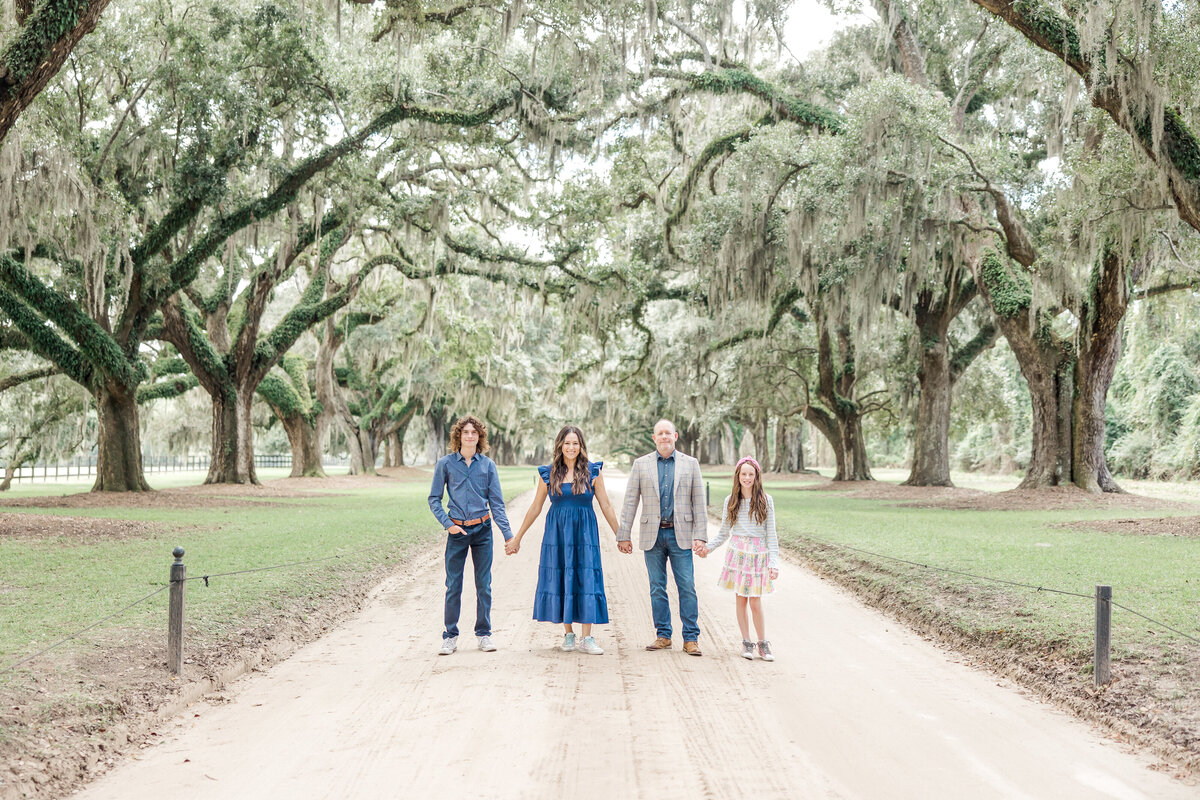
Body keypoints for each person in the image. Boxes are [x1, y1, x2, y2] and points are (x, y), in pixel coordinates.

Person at [506, 426, 621, 655]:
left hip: (585, 531)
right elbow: (535, 507)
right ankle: (568, 634)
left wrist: (621, 535)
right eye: (567, 443)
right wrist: (517, 538)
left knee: (585, 575)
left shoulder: (593, 471)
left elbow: (606, 505)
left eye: (575, 443)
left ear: (581, 446)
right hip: (557, 532)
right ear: (560, 445)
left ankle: (587, 637)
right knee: (563, 574)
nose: (571, 447)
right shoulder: (548, 473)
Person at [616, 419, 707, 656]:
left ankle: (691, 638)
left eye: (668, 433)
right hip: (652, 535)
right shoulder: (641, 465)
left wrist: (701, 536)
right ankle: (663, 635)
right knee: (657, 587)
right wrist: (623, 534)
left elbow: (699, 502)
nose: (664, 437)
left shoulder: (690, 464)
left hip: (681, 535)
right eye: (660, 433)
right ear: (654, 438)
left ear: (675, 436)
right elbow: (630, 501)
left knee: (686, 586)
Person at [428, 414, 513, 655]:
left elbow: (497, 503)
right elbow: (434, 499)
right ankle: (450, 636)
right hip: (457, 531)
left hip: (482, 530)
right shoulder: (445, 464)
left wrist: (508, 535)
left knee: (483, 585)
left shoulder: (488, 465)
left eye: (474, 433)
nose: (469, 436)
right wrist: (448, 524)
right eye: (465, 432)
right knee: (453, 585)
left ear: (479, 437)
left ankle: (484, 634)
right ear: (459, 436)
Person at [699, 456, 779, 661]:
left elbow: (772, 535)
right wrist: (708, 548)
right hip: (738, 553)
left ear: (756, 477)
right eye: (743, 474)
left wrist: (773, 563)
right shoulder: (731, 501)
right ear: (738, 476)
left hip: (758, 554)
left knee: (755, 601)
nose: (747, 477)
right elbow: (724, 532)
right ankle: (746, 642)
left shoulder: (765, 501)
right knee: (741, 599)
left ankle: (763, 643)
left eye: (751, 474)